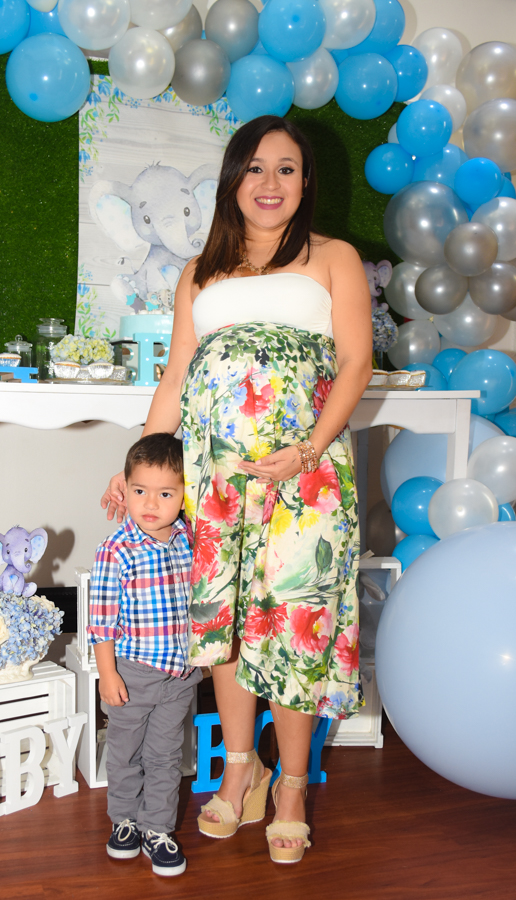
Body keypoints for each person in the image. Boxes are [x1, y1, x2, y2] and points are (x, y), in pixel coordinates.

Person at [102, 115, 372, 864]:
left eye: (287, 168)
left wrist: (308, 449)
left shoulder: (334, 258)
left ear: (305, 182)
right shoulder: (199, 271)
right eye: (255, 167)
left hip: (307, 476)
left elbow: (355, 365)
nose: (270, 182)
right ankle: (239, 772)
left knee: (292, 626)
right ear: (232, 180)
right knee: (220, 624)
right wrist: (137, 469)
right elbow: (175, 376)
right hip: (215, 480)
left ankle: (292, 787)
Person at [89, 433, 202, 877]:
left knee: (165, 755)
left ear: (184, 495)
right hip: (132, 673)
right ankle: (124, 820)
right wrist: (107, 674)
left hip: (179, 674)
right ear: (125, 487)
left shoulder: (188, 539)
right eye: (140, 491)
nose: (150, 503)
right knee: (125, 751)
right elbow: (101, 620)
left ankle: (157, 828)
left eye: (165, 494)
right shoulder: (116, 551)